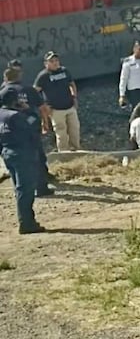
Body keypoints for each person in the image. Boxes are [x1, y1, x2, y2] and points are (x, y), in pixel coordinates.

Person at [2, 67, 53, 196]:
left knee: (14, 164)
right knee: (38, 158)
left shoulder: (2, 92)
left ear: (6, 78)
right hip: (29, 129)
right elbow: (42, 108)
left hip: (9, 133)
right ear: (19, 76)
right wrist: (45, 123)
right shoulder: (29, 89)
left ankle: (19, 189)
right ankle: (41, 187)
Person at [0, 88, 45, 234]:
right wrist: (30, 111)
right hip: (23, 154)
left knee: (19, 188)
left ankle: (25, 220)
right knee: (26, 189)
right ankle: (27, 223)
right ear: (15, 101)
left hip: (8, 153)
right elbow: (33, 126)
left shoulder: (1, 114)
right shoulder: (16, 116)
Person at [33, 51, 81, 152]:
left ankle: (76, 151)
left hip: (70, 106)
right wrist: (44, 105)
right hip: (55, 109)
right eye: (52, 61)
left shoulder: (64, 71)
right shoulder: (43, 76)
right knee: (61, 134)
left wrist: (74, 97)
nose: (55, 63)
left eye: (56, 60)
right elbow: (35, 92)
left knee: (75, 130)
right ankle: (63, 153)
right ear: (46, 63)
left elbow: (72, 84)